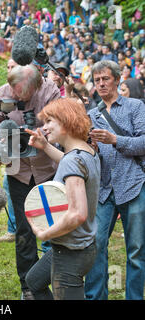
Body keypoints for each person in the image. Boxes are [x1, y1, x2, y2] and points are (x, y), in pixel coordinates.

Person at [0, 64, 60, 299]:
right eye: (14, 90)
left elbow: (63, 124)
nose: (16, 96)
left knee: (56, 229)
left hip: (48, 170)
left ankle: (58, 280)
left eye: (22, 93)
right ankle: (28, 287)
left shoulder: (49, 91)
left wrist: (46, 135)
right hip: (18, 173)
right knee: (24, 232)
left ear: (36, 86)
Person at [24, 97, 100, 300]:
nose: (45, 127)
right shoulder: (87, 152)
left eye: (50, 121)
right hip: (83, 246)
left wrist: (44, 234)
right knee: (34, 281)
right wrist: (45, 146)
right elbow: (70, 162)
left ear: (66, 121)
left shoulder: (72, 161)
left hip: (70, 252)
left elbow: (77, 214)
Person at [85, 60, 145, 300]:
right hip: (102, 188)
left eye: (105, 79)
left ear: (117, 80)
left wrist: (115, 140)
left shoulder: (135, 106)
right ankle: (95, 297)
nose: (101, 84)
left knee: (136, 251)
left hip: (133, 184)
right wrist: (91, 147)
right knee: (96, 247)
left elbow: (144, 142)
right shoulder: (90, 114)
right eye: (97, 80)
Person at [0, 58, 18, 243]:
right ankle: (13, 229)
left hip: (33, 149)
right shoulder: (2, 92)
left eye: (14, 67)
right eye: (8, 67)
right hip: (11, 149)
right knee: (8, 185)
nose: (10, 70)